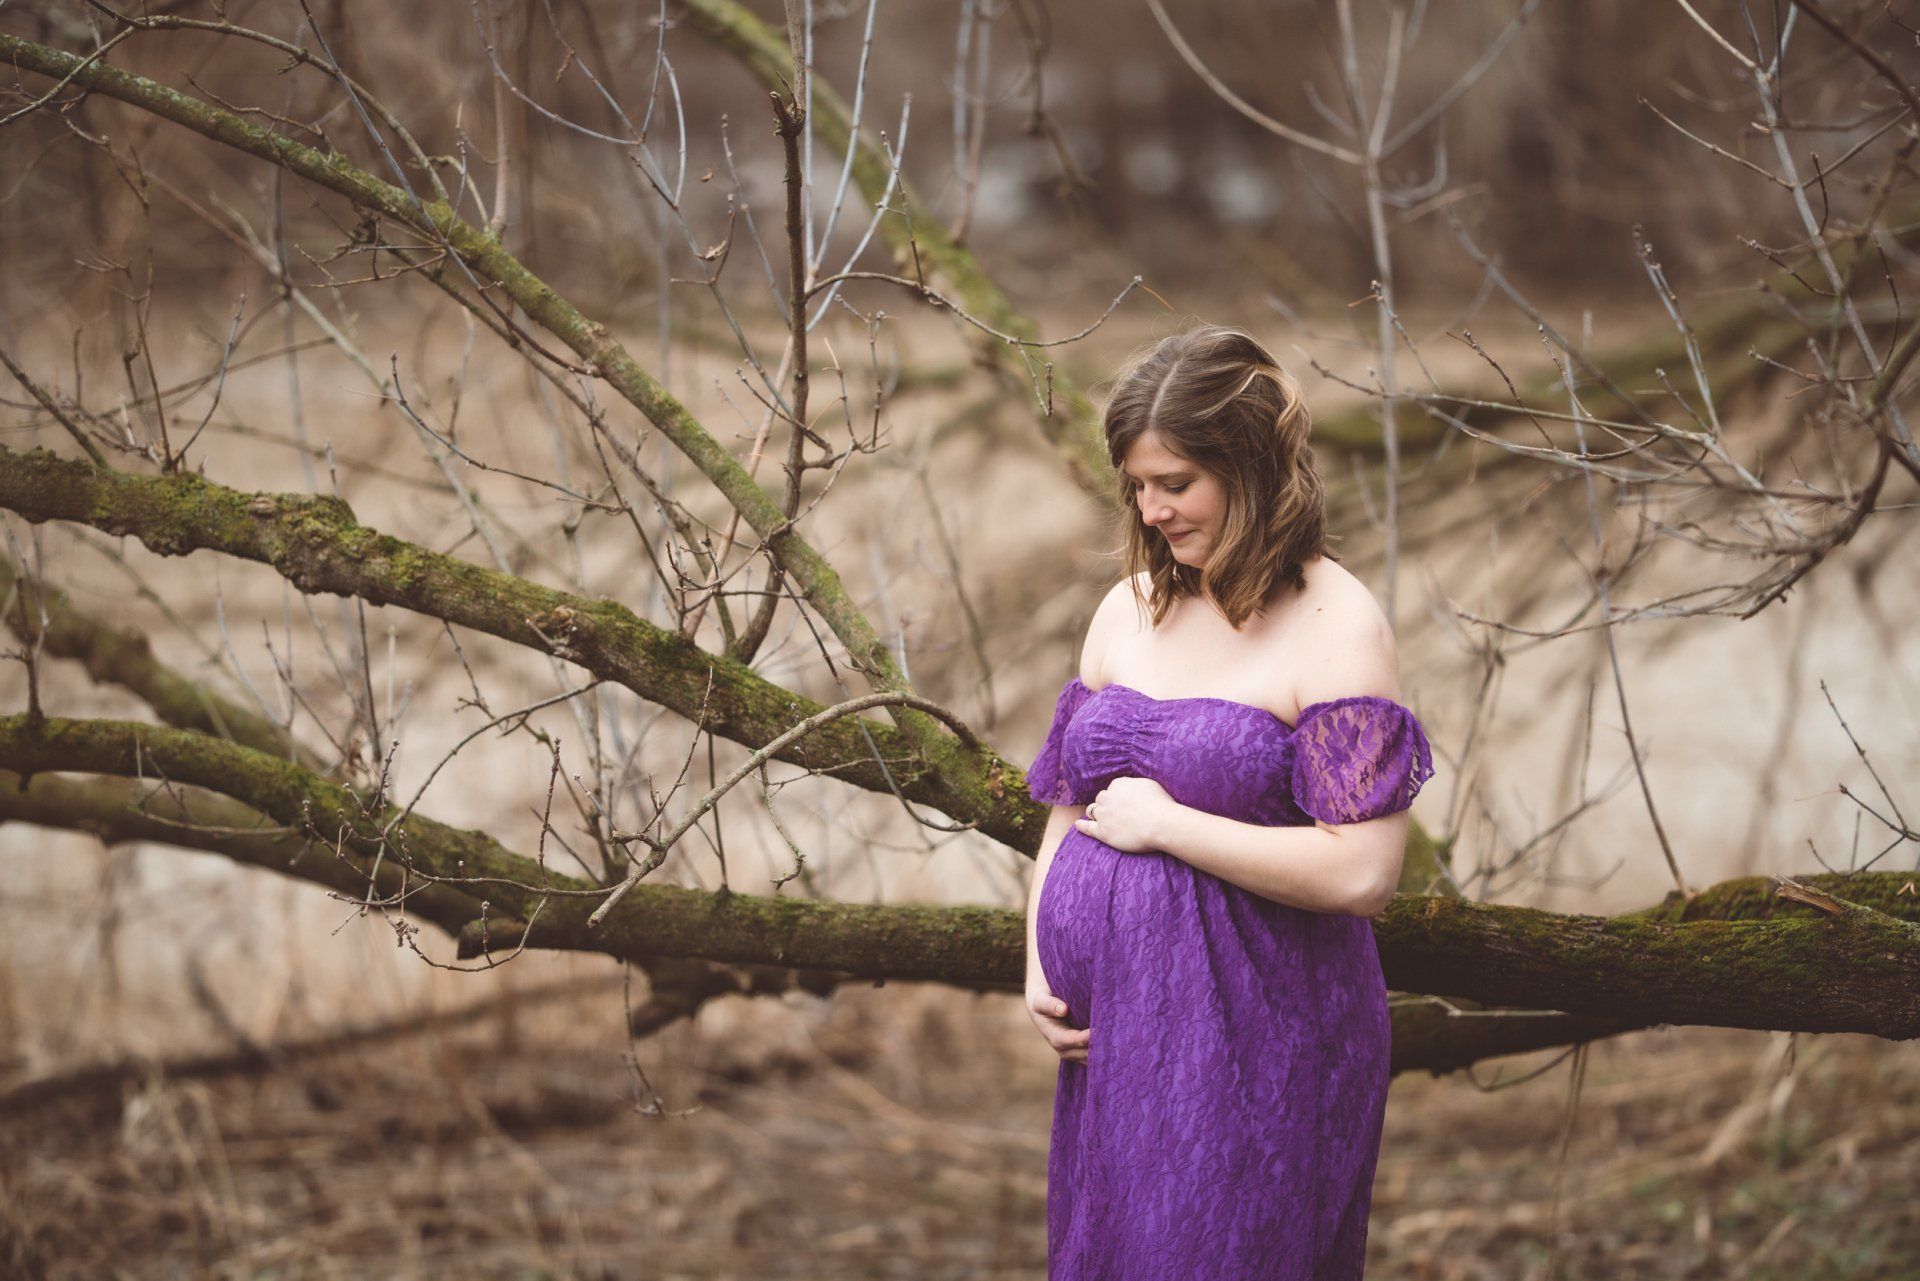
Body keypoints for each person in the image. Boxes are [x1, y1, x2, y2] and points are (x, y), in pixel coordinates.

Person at [1022, 324, 1435, 1279]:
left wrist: (1169, 825)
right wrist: (1036, 960)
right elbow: (1065, 810)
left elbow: (1364, 870)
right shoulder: (1126, 608)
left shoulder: (1336, 624)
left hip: (1260, 1039)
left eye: (1177, 483)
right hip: (1115, 1037)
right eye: (1138, 484)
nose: (1152, 509)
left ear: (1250, 469)